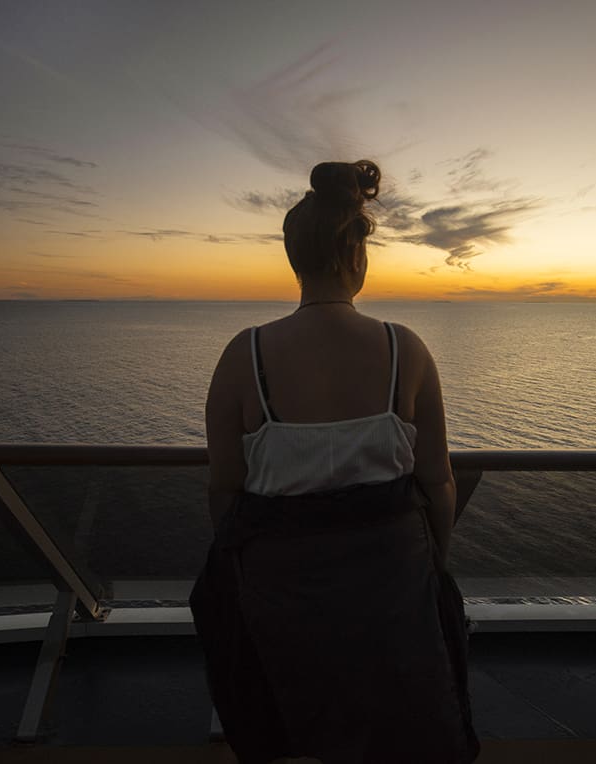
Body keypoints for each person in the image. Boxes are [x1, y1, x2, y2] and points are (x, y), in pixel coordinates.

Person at [190, 160, 479, 764]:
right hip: (391, 587)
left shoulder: (244, 355)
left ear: (294, 257)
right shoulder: (407, 349)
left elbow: (225, 492)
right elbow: (440, 482)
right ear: (359, 257)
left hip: (280, 593)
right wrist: (432, 564)